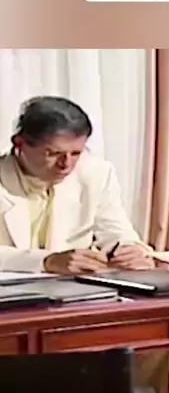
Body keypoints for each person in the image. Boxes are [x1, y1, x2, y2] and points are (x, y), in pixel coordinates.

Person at [0, 96, 155, 273]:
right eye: (53, 153)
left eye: (76, 153)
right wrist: (46, 262)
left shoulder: (96, 174)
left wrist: (129, 250)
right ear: (19, 143)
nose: (66, 164)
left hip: (77, 287)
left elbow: (116, 232)